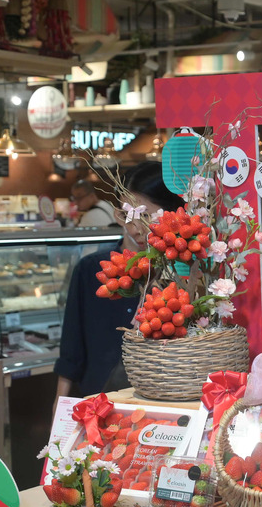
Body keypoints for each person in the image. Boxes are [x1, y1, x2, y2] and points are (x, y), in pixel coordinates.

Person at [54, 163, 184, 402]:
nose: (135, 228)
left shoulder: (184, 275)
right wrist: (58, 406)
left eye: (146, 216)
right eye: (127, 216)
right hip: (98, 401)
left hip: (163, 400)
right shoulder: (92, 270)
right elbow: (72, 348)